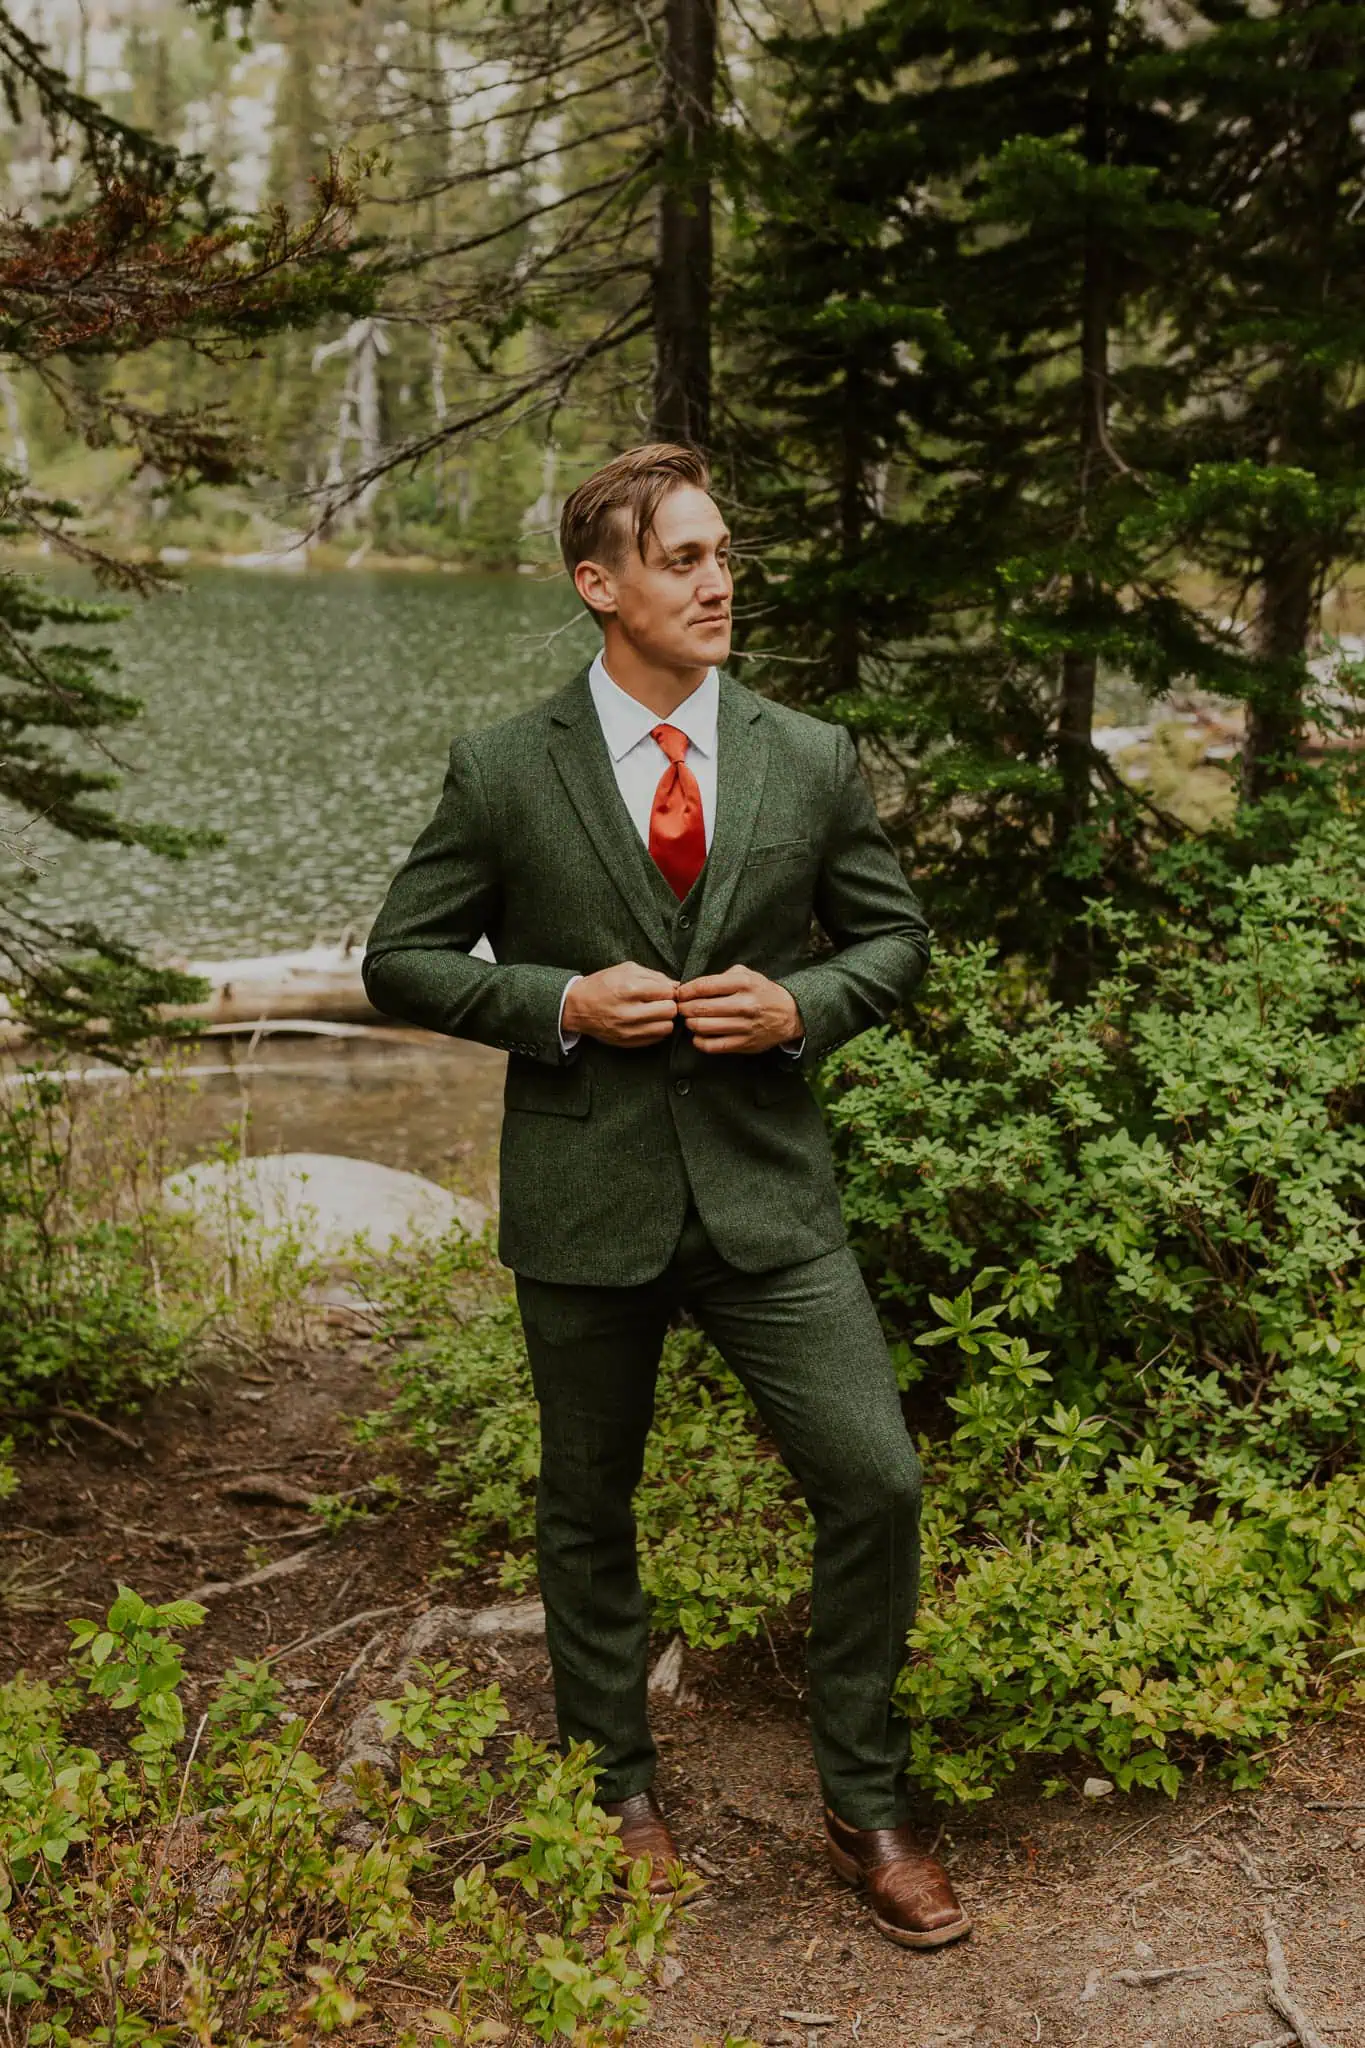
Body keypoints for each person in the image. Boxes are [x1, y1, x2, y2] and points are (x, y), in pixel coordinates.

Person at [362, 443, 969, 1951]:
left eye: (722, 556)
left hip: (771, 1200)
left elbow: (895, 944)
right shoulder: (506, 768)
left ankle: (870, 1804)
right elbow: (404, 958)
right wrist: (557, 999)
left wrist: (805, 1007)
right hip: (586, 1198)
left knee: (875, 1479)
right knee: (586, 1511)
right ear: (601, 585)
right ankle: (615, 1795)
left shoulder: (808, 755)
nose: (719, 582)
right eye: (685, 559)